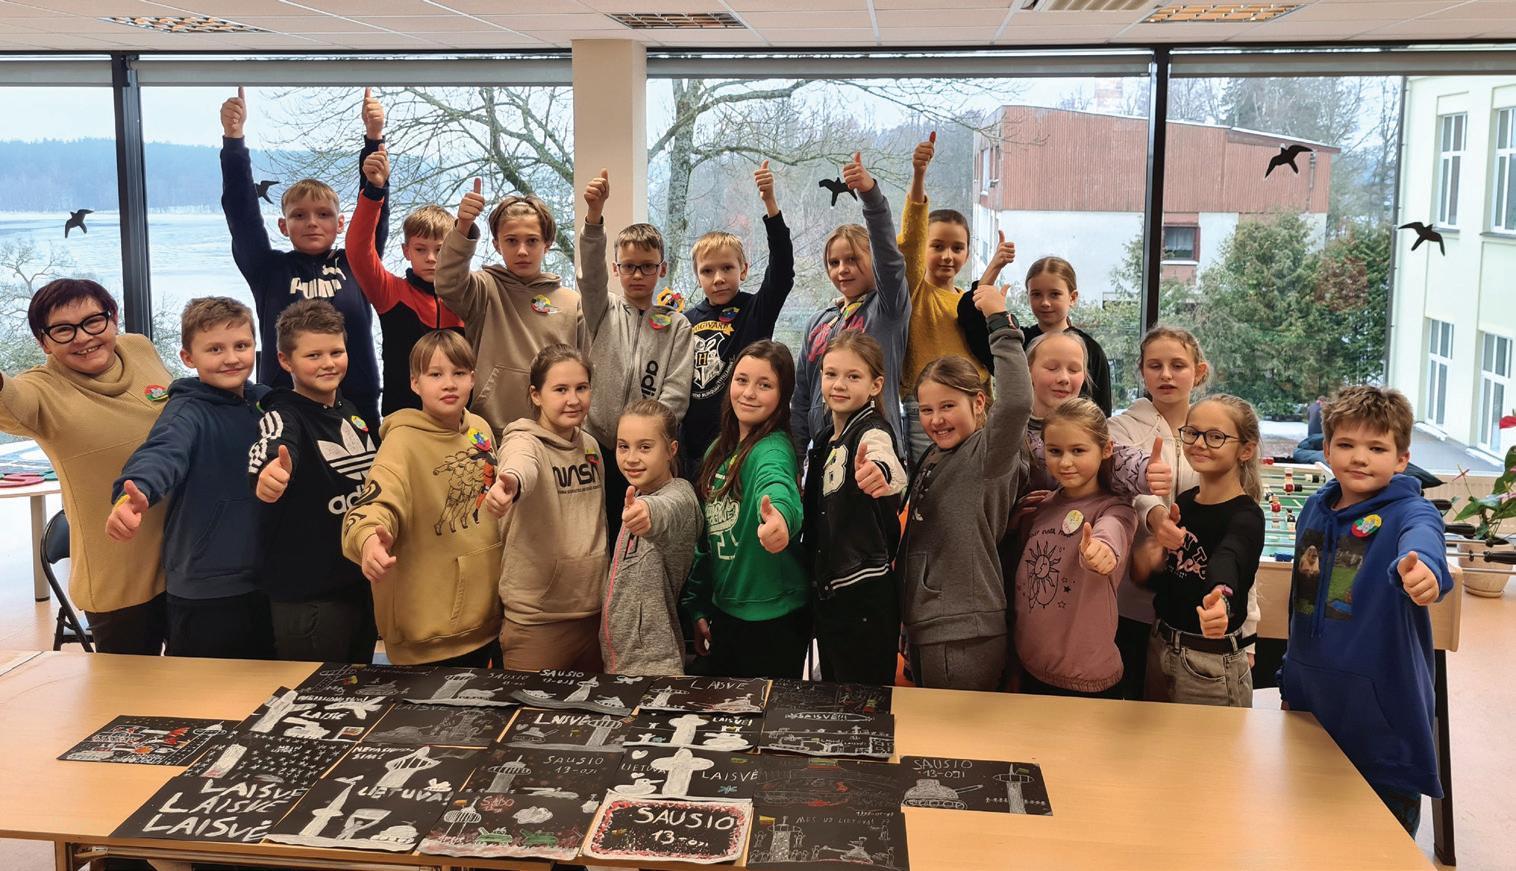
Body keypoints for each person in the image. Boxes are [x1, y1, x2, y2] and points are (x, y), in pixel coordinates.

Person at [1279, 386, 1452, 837]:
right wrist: (1290, 676)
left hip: (1383, 728)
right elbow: (1303, 600)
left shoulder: (1412, 511)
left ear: (1401, 459)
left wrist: (1425, 570)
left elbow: (1424, 540)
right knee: (1308, 840)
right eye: (1346, 444)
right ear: (1327, 449)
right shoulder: (1314, 509)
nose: (1359, 458)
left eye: (1377, 448)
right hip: (1311, 710)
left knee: (1378, 848)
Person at [0, 279, 171, 654]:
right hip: (120, 583)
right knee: (131, 688)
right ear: (44, 343)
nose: (83, 338)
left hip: (185, 563)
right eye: (63, 330)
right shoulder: (43, 390)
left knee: (204, 680)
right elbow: (11, 401)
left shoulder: (139, 348)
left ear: (113, 318)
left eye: (93, 321)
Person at [107, 297, 274, 660]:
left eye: (241, 346)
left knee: (265, 682)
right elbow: (161, 453)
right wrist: (133, 494)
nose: (231, 358)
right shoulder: (186, 411)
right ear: (188, 357)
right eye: (215, 349)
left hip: (265, 577)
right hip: (205, 587)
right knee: (201, 689)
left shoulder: (267, 403)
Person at [219, 86, 385, 426]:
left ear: (340, 223)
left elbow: (374, 211)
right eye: (299, 215)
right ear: (283, 225)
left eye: (323, 214)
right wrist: (234, 141)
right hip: (285, 407)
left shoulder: (357, 265)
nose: (311, 222)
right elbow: (242, 214)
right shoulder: (268, 270)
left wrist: (373, 139)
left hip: (357, 405)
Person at [1108, 326, 1259, 698]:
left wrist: (1249, 630)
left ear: (1199, 371)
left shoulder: (1213, 430)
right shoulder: (1120, 429)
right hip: (1133, 604)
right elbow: (1119, 484)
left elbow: (1238, 552)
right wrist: (1155, 516)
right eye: (1155, 365)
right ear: (1141, 371)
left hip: (1204, 619)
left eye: (1178, 365)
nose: (1166, 375)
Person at [340, 330, 503, 667]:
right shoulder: (401, 443)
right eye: (435, 374)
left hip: (485, 621)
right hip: (426, 634)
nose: (449, 384)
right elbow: (374, 505)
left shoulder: (480, 429)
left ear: (473, 378)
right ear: (415, 383)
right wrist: (369, 541)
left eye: (459, 373)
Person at [898, 286, 1031, 691]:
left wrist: (1000, 322)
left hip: (963, 632)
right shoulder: (935, 456)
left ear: (978, 403)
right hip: (928, 624)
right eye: (926, 410)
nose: (936, 420)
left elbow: (1017, 402)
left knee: (955, 733)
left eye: (948, 406)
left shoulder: (989, 454)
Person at [247, 299, 378, 664]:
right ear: (285, 360)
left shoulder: (350, 411)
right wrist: (267, 474)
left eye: (336, 352)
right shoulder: (283, 414)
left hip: (358, 583)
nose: (328, 363)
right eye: (313, 355)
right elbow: (272, 445)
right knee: (312, 692)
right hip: (310, 600)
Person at [576, 170, 694, 542]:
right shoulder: (601, 309)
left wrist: (645, 443)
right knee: (599, 535)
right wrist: (594, 216)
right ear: (616, 269)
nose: (638, 274)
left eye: (647, 266)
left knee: (642, 538)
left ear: (662, 269)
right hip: (598, 445)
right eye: (629, 266)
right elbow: (590, 275)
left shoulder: (677, 325)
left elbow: (675, 394)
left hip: (648, 455)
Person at [682, 340, 808, 679]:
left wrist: (780, 520)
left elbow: (776, 483)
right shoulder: (717, 451)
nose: (749, 393)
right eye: (742, 380)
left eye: (764, 385)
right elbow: (706, 541)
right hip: (726, 610)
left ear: (783, 395)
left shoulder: (772, 448)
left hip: (774, 619)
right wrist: (698, 605)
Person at [484, 344, 607, 671]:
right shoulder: (523, 441)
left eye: (582, 388)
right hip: (538, 622)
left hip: (594, 615)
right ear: (536, 395)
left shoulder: (591, 446)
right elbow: (520, 464)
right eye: (561, 389)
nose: (573, 399)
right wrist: (509, 484)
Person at [435, 178, 587, 437]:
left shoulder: (571, 303)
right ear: (497, 244)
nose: (522, 251)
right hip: (491, 431)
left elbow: (584, 374)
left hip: (555, 432)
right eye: (512, 241)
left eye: (532, 241)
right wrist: (463, 227)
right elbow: (447, 283)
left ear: (547, 244)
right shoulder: (483, 289)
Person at [898, 131, 1015, 461]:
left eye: (957, 248)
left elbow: (976, 319)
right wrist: (918, 176)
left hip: (975, 405)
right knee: (930, 477)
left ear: (967, 252)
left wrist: (995, 266)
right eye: (937, 246)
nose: (947, 255)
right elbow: (910, 239)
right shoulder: (916, 292)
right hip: (928, 406)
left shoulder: (965, 299)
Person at [1142, 394, 1265, 707]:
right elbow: (1170, 580)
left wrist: (1220, 598)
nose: (1199, 443)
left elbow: (1230, 557)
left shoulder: (1247, 516)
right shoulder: (1183, 502)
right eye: (1193, 433)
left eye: (1215, 436)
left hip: (1209, 664)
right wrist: (1148, 560)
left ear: (1246, 450)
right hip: (1160, 646)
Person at [802, 331, 908, 685]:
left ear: (876, 385)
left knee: (865, 703)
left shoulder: (872, 430)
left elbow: (887, 461)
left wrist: (881, 472)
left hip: (865, 599)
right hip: (830, 595)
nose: (839, 385)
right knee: (832, 693)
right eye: (831, 374)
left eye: (853, 376)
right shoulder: (823, 438)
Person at [1012, 397, 1136, 699]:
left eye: (1078, 451)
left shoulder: (1115, 509)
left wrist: (1102, 551)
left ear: (1106, 449)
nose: (1065, 462)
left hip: (1087, 679)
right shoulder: (1041, 505)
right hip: (1030, 667)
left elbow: (1112, 533)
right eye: (1055, 451)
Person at [793, 151, 910, 460]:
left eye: (853, 259)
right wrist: (797, 458)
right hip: (824, 451)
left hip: (874, 451)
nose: (842, 269)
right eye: (834, 263)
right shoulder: (819, 322)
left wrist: (871, 197)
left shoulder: (887, 311)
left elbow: (890, 260)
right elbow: (801, 397)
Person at [680, 162, 795, 476]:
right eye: (707, 271)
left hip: (742, 443)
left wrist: (770, 205)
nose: (718, 278)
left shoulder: (755, 310)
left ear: (743, 270)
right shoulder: (684, 321)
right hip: (693, 448)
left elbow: (782, 271)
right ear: (697, 276)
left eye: (727, 268)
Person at [347, 137, 465, 417]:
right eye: (421, 249)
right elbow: (358, 251)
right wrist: (374, 191)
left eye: (440, 250)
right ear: (406, 251)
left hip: (459, 420)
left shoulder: (467, 297)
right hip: (402, 420)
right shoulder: (390, 292)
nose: (431, 258)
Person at [601, 400, 701, 676]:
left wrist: (647, 513)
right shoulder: (638, 494)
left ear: (671, 450)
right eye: (623, 446)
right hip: (621, 663)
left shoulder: (679, 495)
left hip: (655, 666)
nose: (631, 458)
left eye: (645, 447)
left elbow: (667, 510)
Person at [1018, 257, 1113, 416]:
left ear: (1072, 297)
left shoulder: (1091, 350)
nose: (1045, 302)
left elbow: (1103, 413)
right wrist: (995, 268)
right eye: (1036, 294)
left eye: (1054, 294)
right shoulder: (1018, 342)